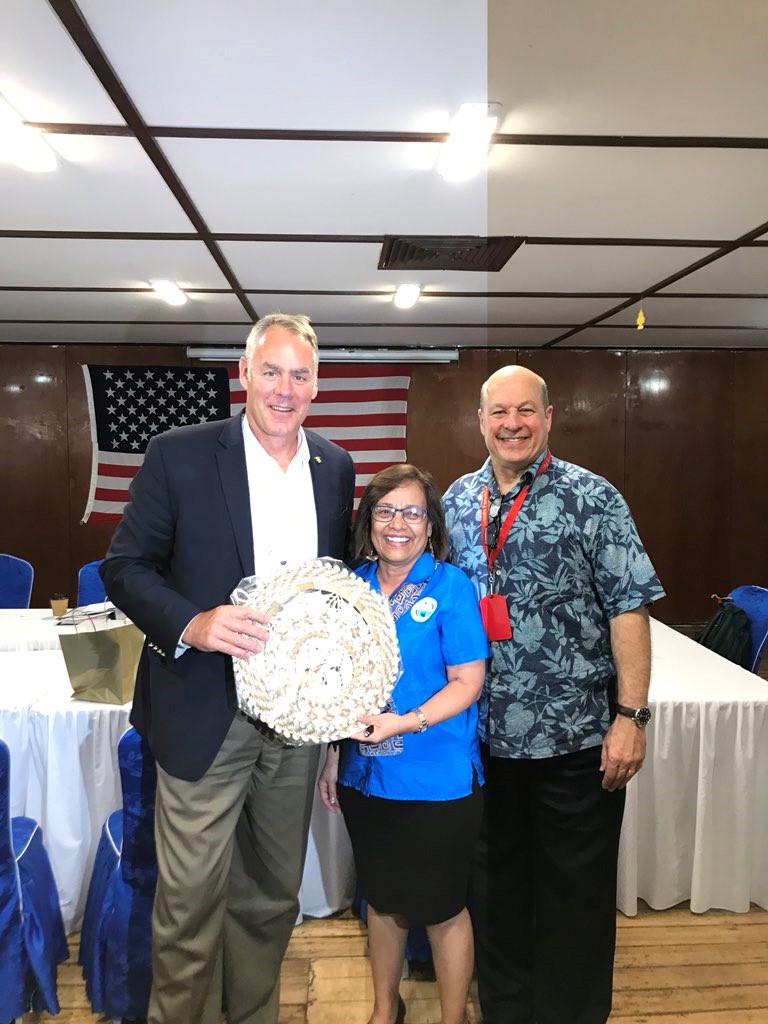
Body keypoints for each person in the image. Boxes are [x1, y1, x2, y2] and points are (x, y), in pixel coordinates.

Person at [101, 314, 355, 1024]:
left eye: (299, 375)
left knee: (271, 896)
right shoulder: (178, 454)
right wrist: (193, 622)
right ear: (244, 374)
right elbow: (125, 567)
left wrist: (334, 721)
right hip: (202, 710)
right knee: (188, 904)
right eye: (270, 371)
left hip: (297, 720)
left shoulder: (334, 467)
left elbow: (335, 594)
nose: (284, 388)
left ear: (316, 385)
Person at [442, 365, 665, 1024]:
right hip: (483, 742)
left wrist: (631, 717)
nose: (513, 424)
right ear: (480, 421)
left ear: (549, 416)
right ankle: (506, 1011)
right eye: (499, 413)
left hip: (574, 740)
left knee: (576, 899)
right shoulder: (455, 501)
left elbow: (629, 609)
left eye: (526, 411)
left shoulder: (594, 498)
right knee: (496, 893)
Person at [318, 464, 488, 1024]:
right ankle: (384, 1009)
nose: (398, 524)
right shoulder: (349, 587)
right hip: (365, 776)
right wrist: (331, 757)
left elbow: (468, 682)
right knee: (383, 900)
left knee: (442, 907)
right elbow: (332, 681)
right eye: (385, 511)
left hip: (436, 777)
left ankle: (451, 1016)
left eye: (412, 512)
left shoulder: (453, 587)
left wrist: (406, 721)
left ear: (431, 526)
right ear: (368, 523)